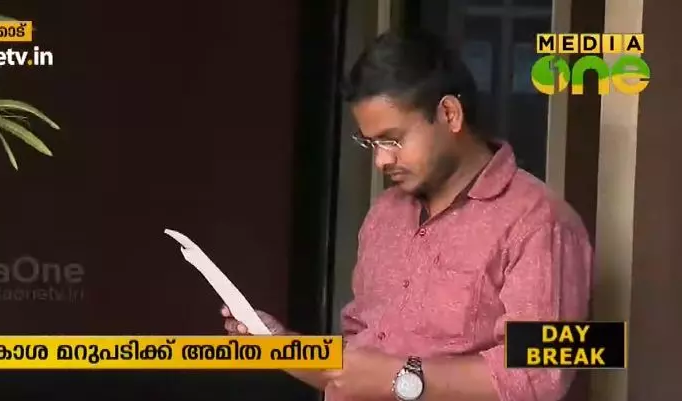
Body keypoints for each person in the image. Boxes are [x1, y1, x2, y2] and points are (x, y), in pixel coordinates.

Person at [221, 29, 593, 401]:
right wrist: (281, 345)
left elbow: (537, 377)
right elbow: (357, 364)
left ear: (449, 114)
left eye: (392, 139)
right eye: (371, 143)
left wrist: (401, 377)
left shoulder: (539, 222)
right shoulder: (385, 214)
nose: (381, 160)